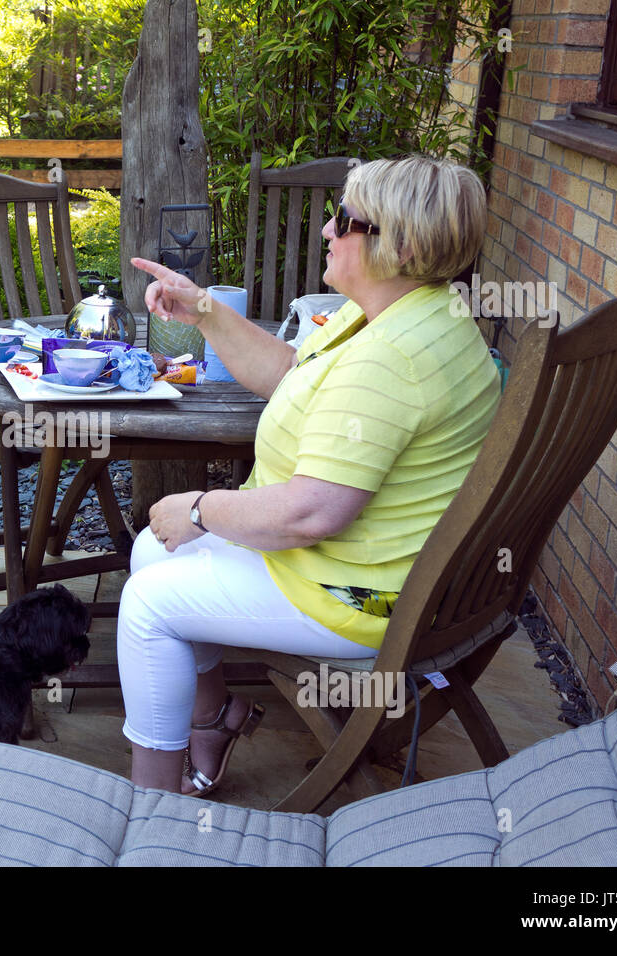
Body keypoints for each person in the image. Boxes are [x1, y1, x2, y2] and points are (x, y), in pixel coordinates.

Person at [120, 155, 501, 794]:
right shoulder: (410, 312)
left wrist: (198, 506)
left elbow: (310, 513)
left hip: (364, 594)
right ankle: (213, 716)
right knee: (151, 552)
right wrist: (205, 311)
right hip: (378, 565)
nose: (327, 229)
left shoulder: (391, 358)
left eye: (343, 220)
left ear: (398, 244)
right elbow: (291, 374)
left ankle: (153, 807)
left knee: (148, 604)